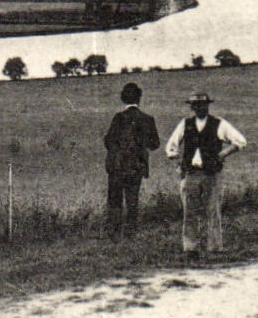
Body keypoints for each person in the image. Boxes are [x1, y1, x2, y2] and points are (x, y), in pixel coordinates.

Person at [164, 93, 246, 258]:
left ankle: (214, 247)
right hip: (191, 173)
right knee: (189, 211)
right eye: (196, 105)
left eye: (203, 104)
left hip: (212, 173)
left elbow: (240, 141)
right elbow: (171, 147)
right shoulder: (185, 124)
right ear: (192, 107)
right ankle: (190, 248)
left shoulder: (219, 124)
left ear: (208, 106)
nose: (200, 107)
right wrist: (179, 161)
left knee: (213, 210)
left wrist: (223, 155)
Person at [103, 81, 160, 239]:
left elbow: (108, 141)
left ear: (123, 99)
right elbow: (155, 144)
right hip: (137, 166)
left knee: (115, 200)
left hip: (117, 166)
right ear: (139, 98)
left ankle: (114, 234)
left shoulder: (119, 118)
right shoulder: (147, 119)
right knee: (132, 200)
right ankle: (131, 233)